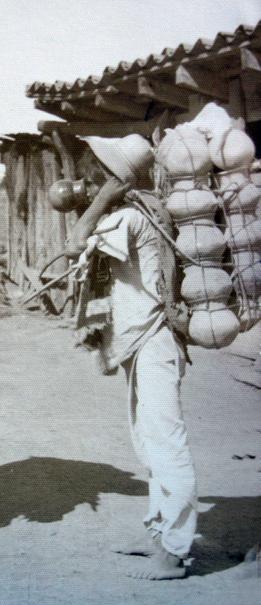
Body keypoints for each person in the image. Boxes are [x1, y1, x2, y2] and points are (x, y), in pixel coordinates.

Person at [65, 134, 197, 580]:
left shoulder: (127, 216)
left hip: (153, 339)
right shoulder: (149, 208)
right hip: (148, 340)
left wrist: (104, 196)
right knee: (150, 442)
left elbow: (75, 240)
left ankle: (175, 551)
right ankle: (159, 531)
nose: (86, 178)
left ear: (114, 178)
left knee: (165, 444)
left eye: (97, 173)